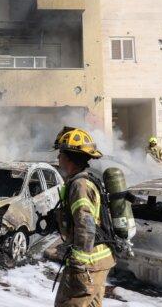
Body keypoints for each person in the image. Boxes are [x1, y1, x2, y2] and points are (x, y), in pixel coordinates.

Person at [53, 127, 115, 307]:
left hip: (88, 262)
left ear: (70, 158)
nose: (58, 158)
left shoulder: (80, 185)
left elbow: (86, 225)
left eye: (60, 154)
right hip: (99, 260)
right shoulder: (88, 179)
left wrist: (78, 264)